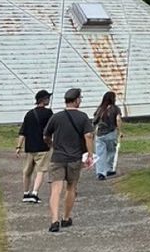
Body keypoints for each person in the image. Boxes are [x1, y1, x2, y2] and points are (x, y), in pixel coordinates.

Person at [42, 88, 94, 234]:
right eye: (80, 98)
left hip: (58, 157)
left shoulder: (56, 117)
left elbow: (46, 135)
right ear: (76, 100)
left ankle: (54, 220)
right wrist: (90, 154)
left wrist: (52, 145)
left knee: (55, 190)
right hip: (74, 158)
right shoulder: (83, 117)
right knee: (71, 187)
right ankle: (66, 217)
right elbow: (88, 136)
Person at [15, 89, 52, 204]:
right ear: (43, 100)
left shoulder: (29, 114)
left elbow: (23, 132)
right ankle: (35, 193)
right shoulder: (48, 113)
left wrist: (18, 147)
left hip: (30, 147)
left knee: (27, 171)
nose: (49, 100)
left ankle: (26, 193)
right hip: (43, 147)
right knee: (41, 170)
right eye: (47, 98)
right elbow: (52, 128)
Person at [92, 90, 123, 178]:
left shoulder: (100, 109)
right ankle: (109, 169)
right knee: (111, 152)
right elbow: (118, 119)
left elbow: (94, 121)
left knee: (100, 154)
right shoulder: (115, 108)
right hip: (111, 133)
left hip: (100, 134)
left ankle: (101, 172)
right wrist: (120, 131)